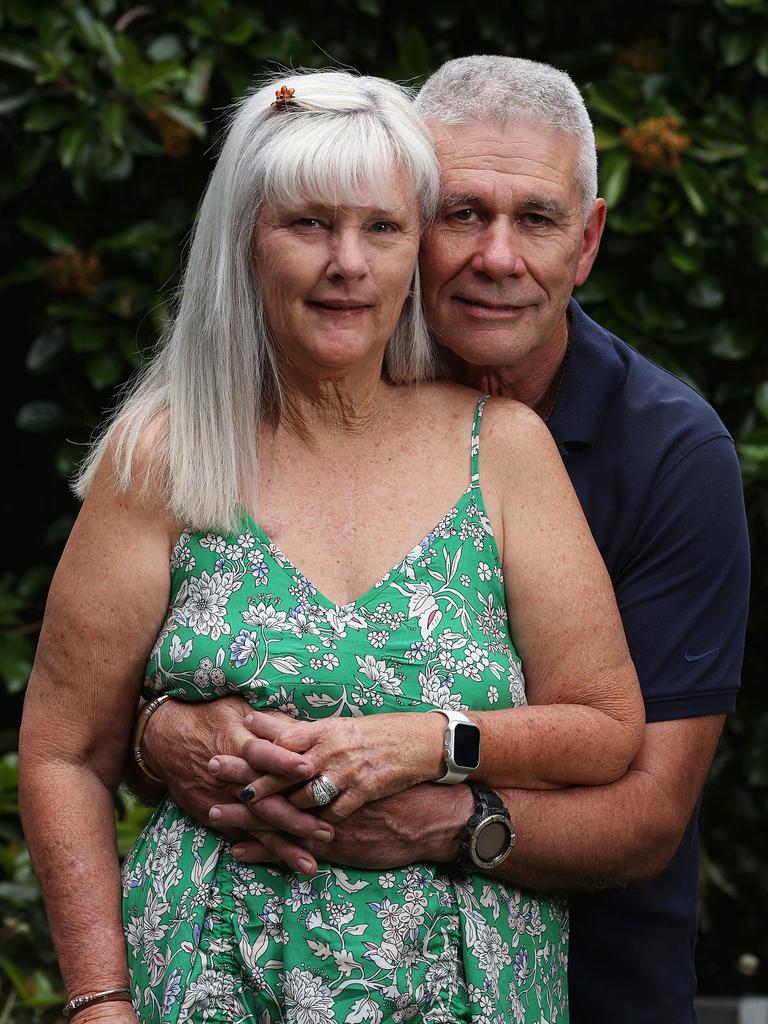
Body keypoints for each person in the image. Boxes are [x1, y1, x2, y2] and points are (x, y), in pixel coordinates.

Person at [19, 68, 647, 1024]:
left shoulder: (502, 447)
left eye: (383, 229)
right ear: (246, 244)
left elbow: (606, 728)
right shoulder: (167, 457)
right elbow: (64, 751)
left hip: (467, 990)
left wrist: (433, 742)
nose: (348, 263)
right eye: (308, 224)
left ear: (414, 248)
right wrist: (100, 1004)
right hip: (203, 985)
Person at [137, 56, 751, 1023]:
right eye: (461, 213)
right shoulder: (247, 426)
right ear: (408, 220)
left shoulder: (672, 455)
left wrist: (442, 820)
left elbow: (645, 816)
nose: (496, 257)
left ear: (586, 242)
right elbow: (107, 700)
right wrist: (161, 730)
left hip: (587, 987)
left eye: (537, 220)